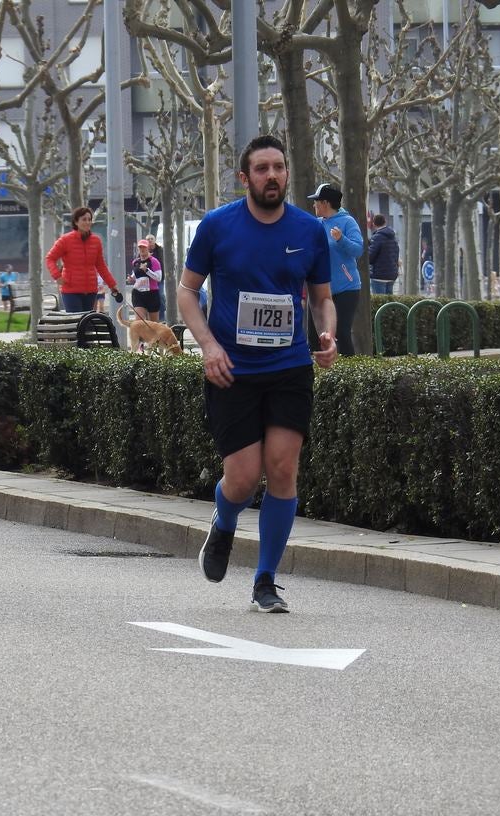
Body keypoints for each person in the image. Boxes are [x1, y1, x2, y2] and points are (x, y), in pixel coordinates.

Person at [177, 134, 337, 614]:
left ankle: (265, 580)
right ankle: (224, 521)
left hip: (288, 366)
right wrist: (207, 346)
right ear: (245, 177)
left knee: (283, 468)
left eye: (279, 167)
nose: (273, 176)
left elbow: (323, 298)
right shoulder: (217, 226)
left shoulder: (309, 231)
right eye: (262, 169)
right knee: (243, 480)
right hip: (232, 370)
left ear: (288, 174)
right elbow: (187, 292)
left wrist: (326, 335)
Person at [308, 182, 363, 356]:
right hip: (319, 290)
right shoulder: (315, 225)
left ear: (325, 203)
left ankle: (349, 374)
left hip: (345, 289)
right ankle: (318, 376)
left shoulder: (347, 222)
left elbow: (358, 250)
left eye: (316, 201)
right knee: (314, 336)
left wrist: (341, 239)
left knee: (341, 334)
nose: (314, 204)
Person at [45, 206, 123, 312]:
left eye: (89, 219)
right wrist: (57, 276)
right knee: (76, 323)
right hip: (71, 290)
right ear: (76, 222)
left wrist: (112, 285)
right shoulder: (65, 240)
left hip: (91, 290)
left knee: (87, 323)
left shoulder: (96, 241)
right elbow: (50, 258)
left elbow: (101, 266)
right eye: (84, 219)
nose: (87, 222)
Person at [127, 239, 163, 322]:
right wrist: (131, 279)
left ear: (148, 249)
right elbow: (135, 275)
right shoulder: (136, 262)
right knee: (139, 321)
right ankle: (141, 335)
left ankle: (151, 335)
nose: (142, 249)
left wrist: (147, 271)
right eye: (140, 247)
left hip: (152, 294)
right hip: (138, 294)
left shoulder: (154, 261)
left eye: (144, 247)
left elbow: (159, 278)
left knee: (153, 324)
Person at [367, 214, 400, 296]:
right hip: (391, 274)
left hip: (379, 275)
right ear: (385, 222)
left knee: (379, 304)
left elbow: (370, 257)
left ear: (374, 224)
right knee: (388, 305)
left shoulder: (377, 238)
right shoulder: (393, 237)